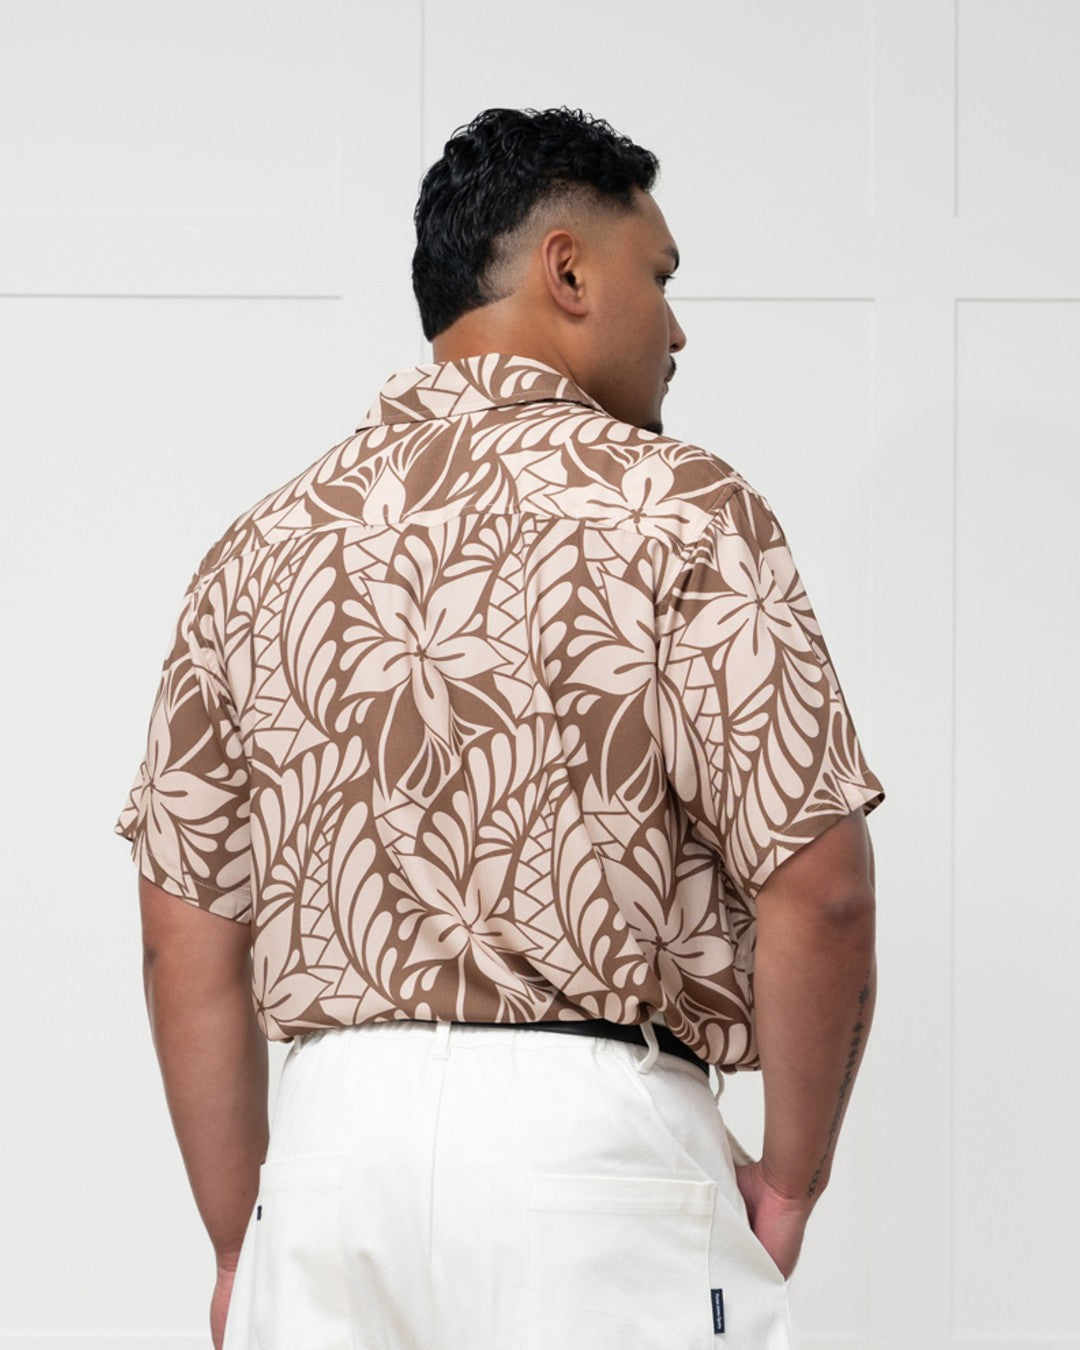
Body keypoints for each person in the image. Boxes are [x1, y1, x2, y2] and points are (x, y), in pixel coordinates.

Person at [115, 106, 885, 1350]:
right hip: (595, 1150)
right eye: (662, 276)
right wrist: (791, 1181)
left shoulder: (260, 546)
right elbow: (824, 888)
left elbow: (181, 939)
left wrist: (236, 1239)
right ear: (568, 271)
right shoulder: (683, 509)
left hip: (326, 1162)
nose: (679, 328)